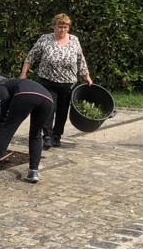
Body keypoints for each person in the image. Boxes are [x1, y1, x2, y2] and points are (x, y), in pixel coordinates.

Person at [20, 13, 92, 149]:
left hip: (68, 82)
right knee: (49, 108)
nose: (62, 30)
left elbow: (80, 59)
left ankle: (57, 135)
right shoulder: (45, 39)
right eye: (60, 27)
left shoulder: (74, 40)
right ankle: (47, 136)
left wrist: (86, 76)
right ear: (54, 26)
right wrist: (24, 73)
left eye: (65, 27)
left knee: (62, 110)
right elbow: (31, 56)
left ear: (68, 28)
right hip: (47, 81)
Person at [0, 78, 54, 183]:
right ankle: (33, 172)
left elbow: (5, 98)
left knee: (8, 128)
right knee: (36, 134)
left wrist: (2, 117)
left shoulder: (2, 85)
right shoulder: (20, 82)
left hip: (26, 95)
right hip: (48, 101)